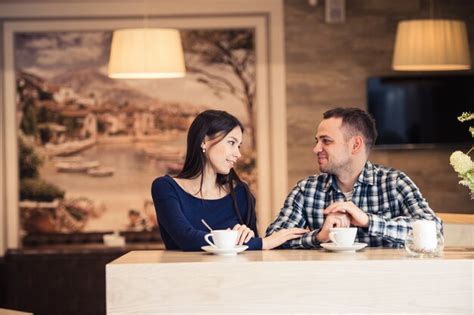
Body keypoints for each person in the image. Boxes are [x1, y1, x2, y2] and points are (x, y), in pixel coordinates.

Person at [266, 107, 443, 248]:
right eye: (317, 141)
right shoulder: (307, 190)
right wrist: (319, 236)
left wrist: (368, 221)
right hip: (324, 286)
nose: (316, 149)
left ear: (356, 144)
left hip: (387, 286)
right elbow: (274, 238)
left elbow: (433, 229)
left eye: (326, 141)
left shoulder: (394, 183)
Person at [151, 110, 306, 251]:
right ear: (204, 141)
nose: (238, 154)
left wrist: (248, 237)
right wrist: (263, 243)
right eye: (231, 143)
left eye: (238, 146)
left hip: (234, 279)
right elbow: (186, 239)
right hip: (183, 279)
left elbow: (250, 252)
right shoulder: (165, 188)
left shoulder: (241, 193)